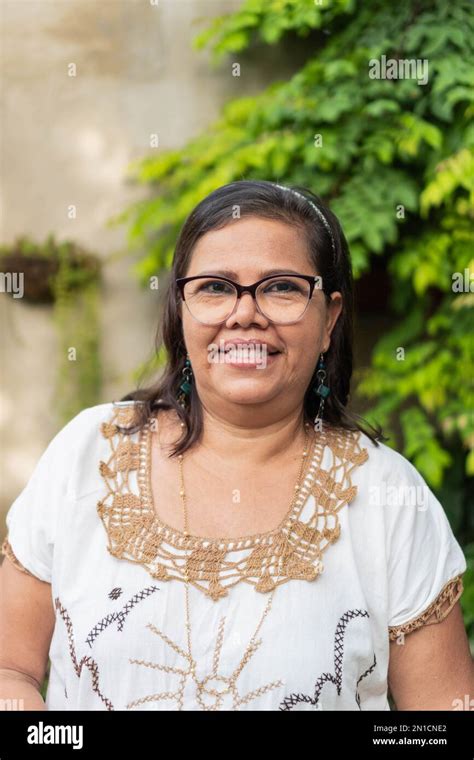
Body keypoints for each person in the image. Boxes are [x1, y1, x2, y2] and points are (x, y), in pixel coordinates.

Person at [1, 180, 472, 711]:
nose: (245, 313)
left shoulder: (386, 498)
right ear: (182, 309)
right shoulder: (88, 457)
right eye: (216, 287)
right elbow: (10, 668)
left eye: (282, 287)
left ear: (329, 321)